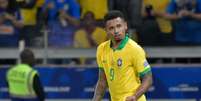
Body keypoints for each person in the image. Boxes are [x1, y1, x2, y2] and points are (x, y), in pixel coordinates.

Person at [92, 11, 153, 101]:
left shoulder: (135, 49)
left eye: (119, 26)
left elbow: (148, 79)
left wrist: (135, 96)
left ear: (125, 26)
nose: (116, 31)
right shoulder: (101, 49)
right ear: (105, 30)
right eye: (111, 28)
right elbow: (102, 81)